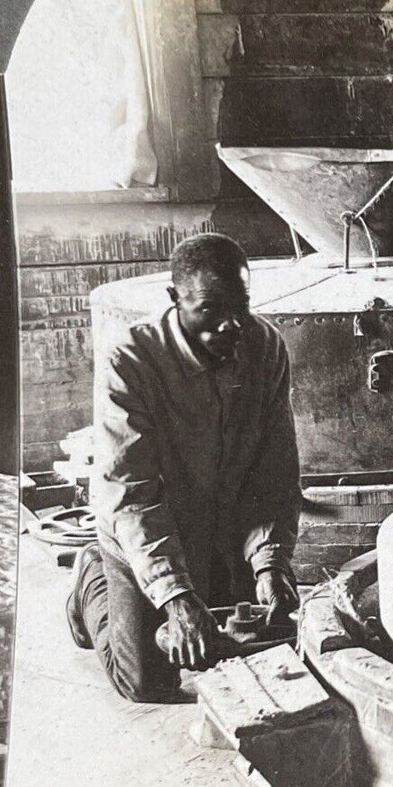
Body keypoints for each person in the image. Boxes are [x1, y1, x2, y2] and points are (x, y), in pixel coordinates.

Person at [66, 232, 302, 703]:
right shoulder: (129, 360)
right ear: (175, 300)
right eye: (210, 309)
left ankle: (200, 580)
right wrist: (174, 596)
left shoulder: (266, 347)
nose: (231, 323)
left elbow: (274, 474)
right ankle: (93, 575)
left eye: (241, 304)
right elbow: (131, 493)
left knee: (247, 644)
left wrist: (270, 563)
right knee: (146, 683)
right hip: (145, 523)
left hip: (221, 523)